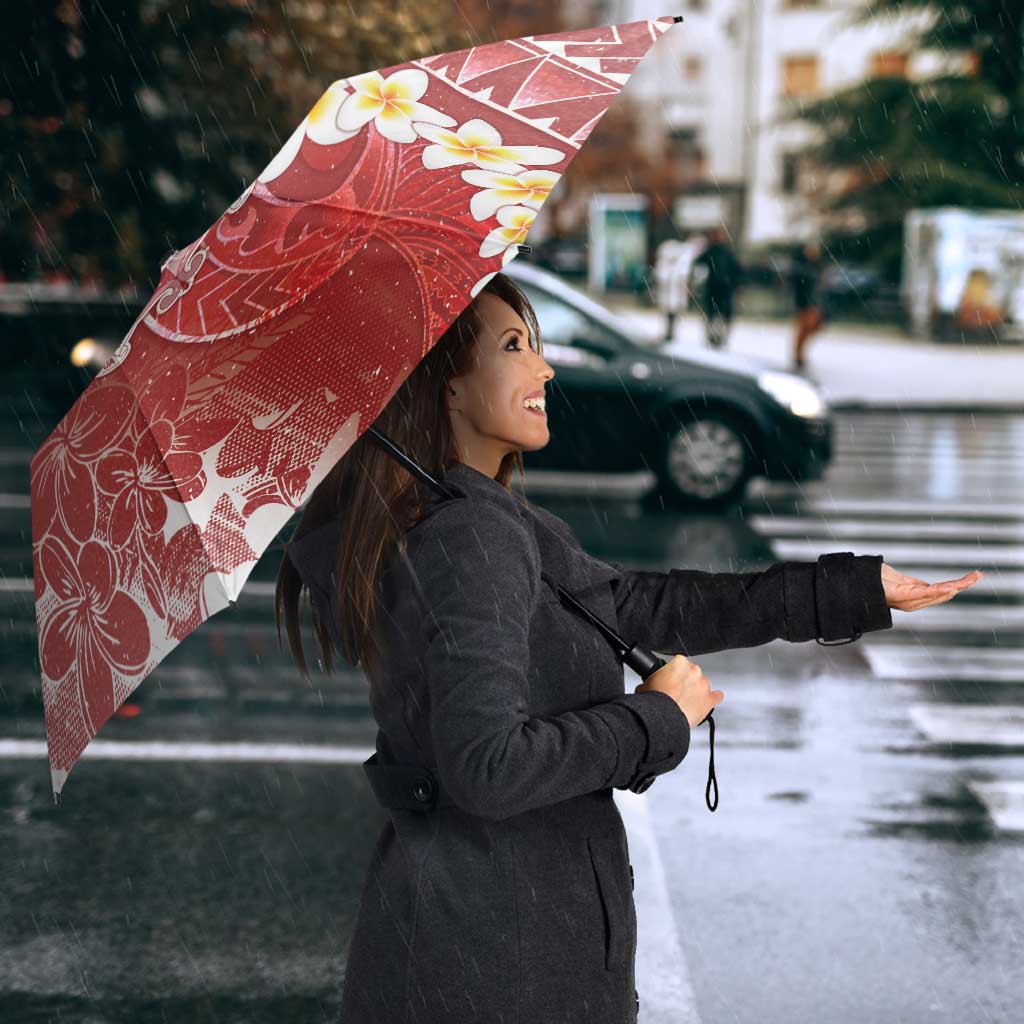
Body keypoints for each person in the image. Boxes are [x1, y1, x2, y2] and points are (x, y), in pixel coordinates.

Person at [275, 271, 975, 1024]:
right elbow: (487, 767)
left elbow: (639, 605)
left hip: (477, 940)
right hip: (500, 962)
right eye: (513, 347)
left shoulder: (471, 518)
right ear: (447, 385)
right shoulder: (471, 536)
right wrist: (657, 719)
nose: (544, 369)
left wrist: (849, 591)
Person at [692, 226, 742, 349]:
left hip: (722, 289)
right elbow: (698, 263)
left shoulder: (724, 252)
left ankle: (719, 337)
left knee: (719, 315)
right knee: (714, 314)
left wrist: (735, 284)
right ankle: (713, 337)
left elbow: (736, 270)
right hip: (716, 288)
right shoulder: (714, 251)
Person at [790, 239, 826, 371]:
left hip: (814, 303)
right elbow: (799, 286)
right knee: (804, 329)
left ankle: (799, 354)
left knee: (812, 327)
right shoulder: (802, 267)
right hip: (805, 303)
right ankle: (798, 355)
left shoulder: (816, 266)